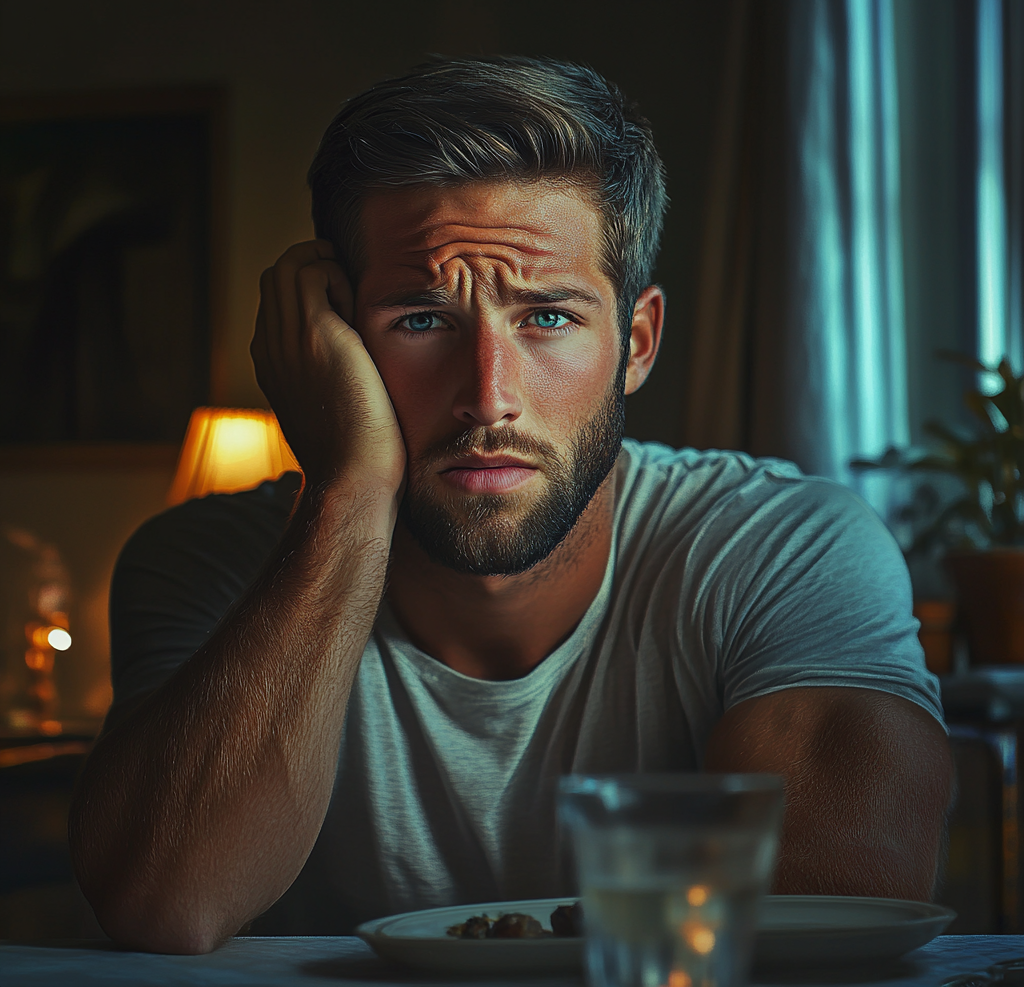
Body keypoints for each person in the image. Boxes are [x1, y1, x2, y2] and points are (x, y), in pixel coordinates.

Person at [68, 57, 953, 955]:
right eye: (420, 319)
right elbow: (164, 904)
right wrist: (348, 492)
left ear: (637, 343)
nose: (488, 397)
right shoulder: (201, 560)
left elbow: (832, 924)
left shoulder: (783, 546)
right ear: (332, 339)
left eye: (548, 318)